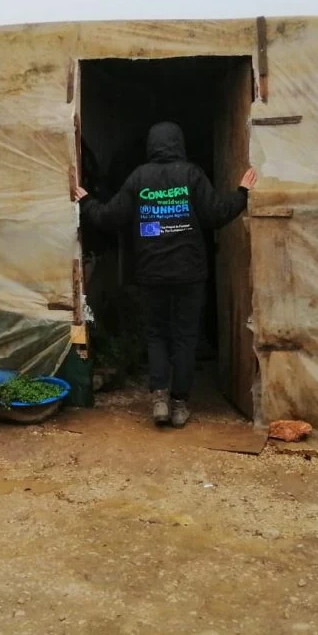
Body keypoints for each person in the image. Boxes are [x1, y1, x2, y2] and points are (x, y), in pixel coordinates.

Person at [73, 121, 257, 428]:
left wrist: (86, 201)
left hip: (151, 273)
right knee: (185, 337)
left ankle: (159, 398)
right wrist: (242, 192)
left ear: (151, 145)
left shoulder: (139, 178)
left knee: (157, 335)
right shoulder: (192, 175)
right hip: (189, 274)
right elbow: (216, 214)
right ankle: (179, 404)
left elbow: (110, 217)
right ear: (179, 143)